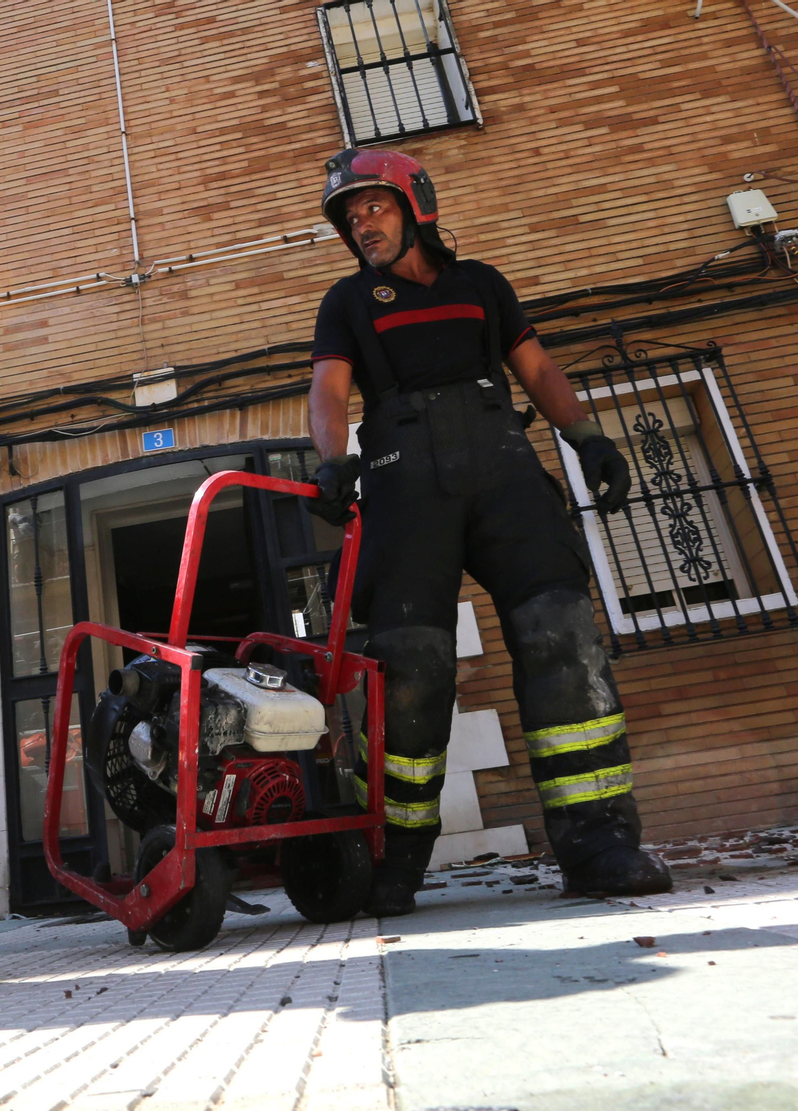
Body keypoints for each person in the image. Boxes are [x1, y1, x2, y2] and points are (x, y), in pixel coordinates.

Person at [306, 147, 672, 917]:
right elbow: (328, 388)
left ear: (414, 203)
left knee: (562, 632)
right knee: (411, 667)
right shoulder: (346, 301)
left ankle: (599, 843)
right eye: (349, 215)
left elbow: (535, 369)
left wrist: (588, 437)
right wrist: (334, 462)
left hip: (504, 464)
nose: (360, 223)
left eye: (372, 205)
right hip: (405, 477)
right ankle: (396, 861)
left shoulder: (483, 284)